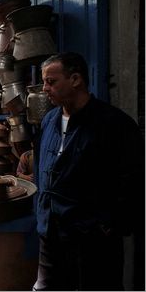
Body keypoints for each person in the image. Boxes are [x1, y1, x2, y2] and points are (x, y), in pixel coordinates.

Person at [33, 52, 144, 290]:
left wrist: (107, 226)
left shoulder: (114, 124)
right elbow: (42, 167)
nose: (45, 88)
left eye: (51, 82)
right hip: (50, 234)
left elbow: (132, 180)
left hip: (92, 241)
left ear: (75, 79)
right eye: (44, 82)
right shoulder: (49, 120)